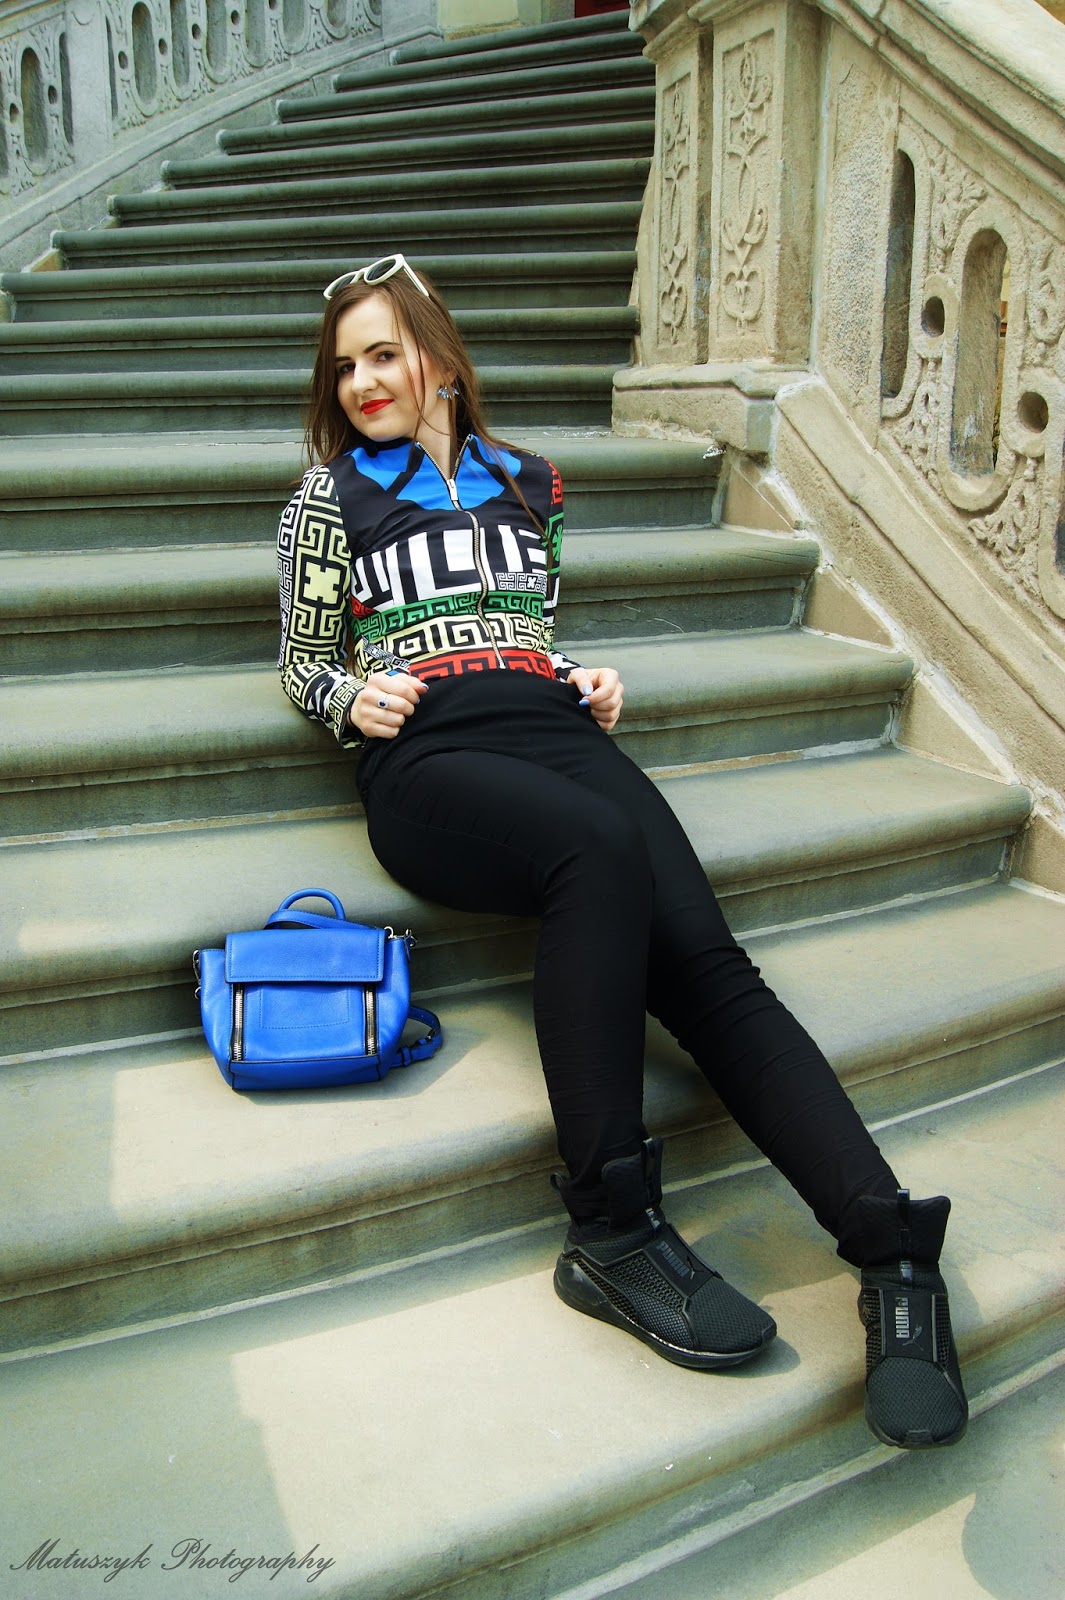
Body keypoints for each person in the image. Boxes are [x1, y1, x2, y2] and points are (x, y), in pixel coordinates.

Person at [277, 252, 968, 1449]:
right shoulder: (327, 500)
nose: (363, 383)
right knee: (599, 849)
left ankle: (891, 1247)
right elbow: (298, 658)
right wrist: (348, 695)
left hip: (554, 732)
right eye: (345, 368)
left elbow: (524, 622)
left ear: (441, 358)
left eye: (384, 354)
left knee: (708, 964)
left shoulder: (531, 483)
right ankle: (607, 1225)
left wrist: (578, 672)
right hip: (431, 760)